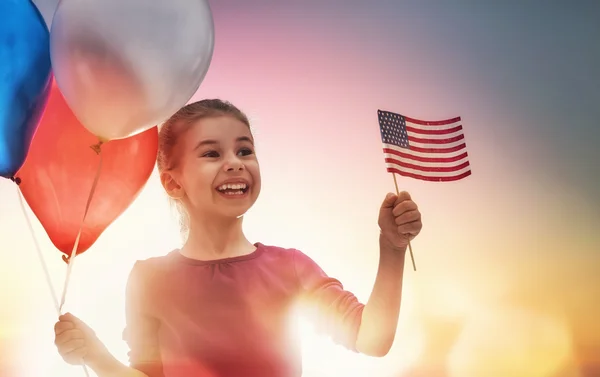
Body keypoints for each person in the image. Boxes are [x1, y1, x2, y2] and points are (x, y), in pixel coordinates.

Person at [53, 99, 423, 377]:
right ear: (172, 181)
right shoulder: (149, 279)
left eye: (244, 150)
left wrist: (391, 249)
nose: (235, 162)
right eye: (211, 153)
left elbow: (371, 339)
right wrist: (95, 355)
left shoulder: (290, 267)